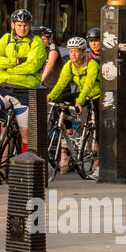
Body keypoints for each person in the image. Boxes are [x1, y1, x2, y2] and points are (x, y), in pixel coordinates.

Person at [0, 9, 46, 147]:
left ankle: (25, 163)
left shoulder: (37, 42)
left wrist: (7, 67)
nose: (22, 28)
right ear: (13, 25)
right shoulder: (6, 38)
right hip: (4, 87)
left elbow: (32, 67)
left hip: (25, 92)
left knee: (26, 132)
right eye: (19, 25)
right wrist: (16, 61)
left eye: (25, 25)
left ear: (30, 25)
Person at [48, 36, 100, 175]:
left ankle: (97, 164)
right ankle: (69, 133)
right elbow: (61, 83)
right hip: (82, 95)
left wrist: (80, 101)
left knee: (99, 128)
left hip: (96, 95)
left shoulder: (92, 64)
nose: (73, 55)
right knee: (60, 102)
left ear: (83, 52)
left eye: (76, 52)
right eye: (71, 52)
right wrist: (50, 96)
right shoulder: (69, 65)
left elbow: (89, 85)